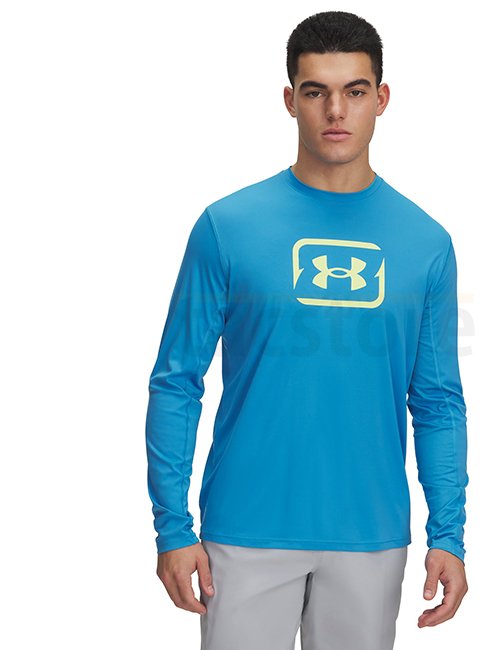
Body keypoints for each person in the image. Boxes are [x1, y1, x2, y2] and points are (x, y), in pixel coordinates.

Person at [145, 10, 469, 650]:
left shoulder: (426, 243)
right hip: (244, 528)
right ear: (290, 100)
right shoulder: (227, 227)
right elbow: (176, 381)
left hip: (370, 534)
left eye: (354, 91)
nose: (335, 111)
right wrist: (172, 527)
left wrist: (449, 535)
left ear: (382, 99)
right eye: (316, 91)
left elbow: (437, 401)